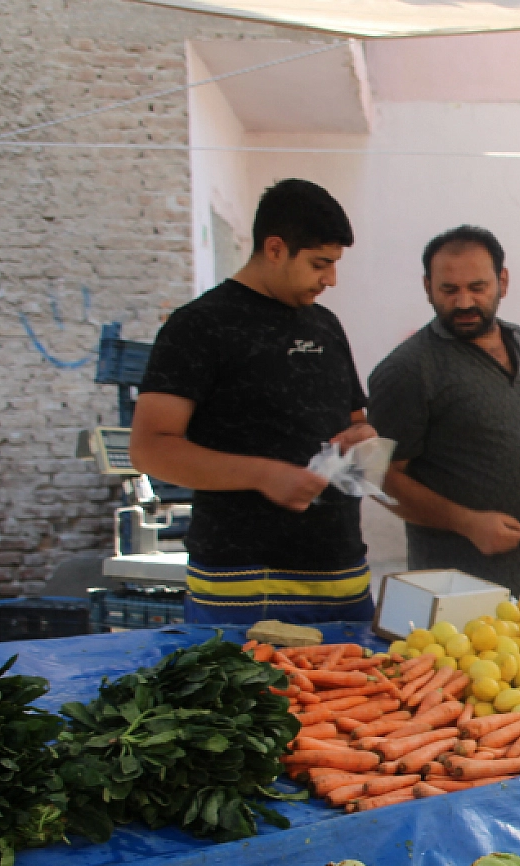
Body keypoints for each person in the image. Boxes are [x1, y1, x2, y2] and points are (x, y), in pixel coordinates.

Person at [132, 179, 376, 624]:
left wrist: (362, 439)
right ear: (276, 248)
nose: (331, 280)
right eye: (320, 264)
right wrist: (263, 475)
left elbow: (356, 421)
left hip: (342, 579)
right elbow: (150, 448)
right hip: (241, 587)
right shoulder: (199, 326)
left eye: (335, 265)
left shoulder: (326, 326)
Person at [368, 226, 520, 594]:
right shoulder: (408, 369)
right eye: (448, 290)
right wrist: (466, 522)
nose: (464, 302)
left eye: (477, 287)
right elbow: (377, 477)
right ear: (427, 287)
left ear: (503, 281)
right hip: (462, 601)